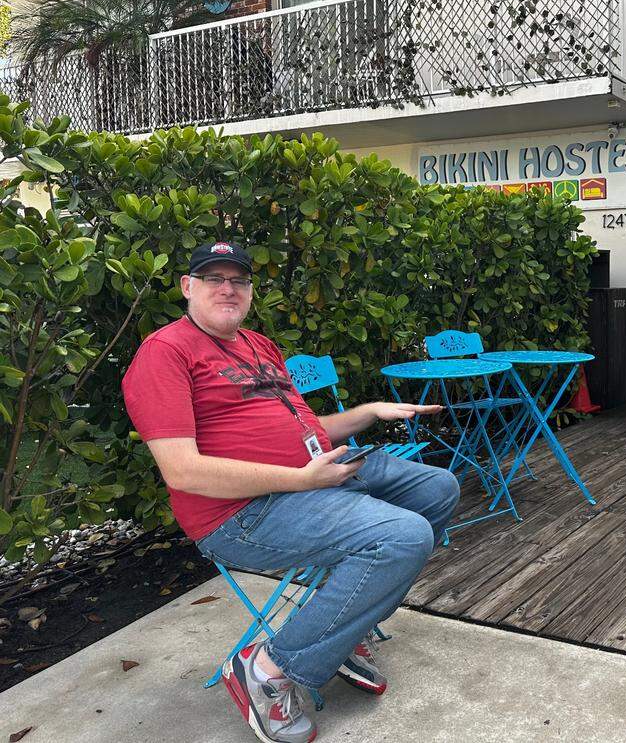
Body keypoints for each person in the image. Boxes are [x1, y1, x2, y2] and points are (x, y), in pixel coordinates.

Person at [122, 242, 461, 743]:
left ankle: (343, 629)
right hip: (241, 512)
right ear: (187, 288)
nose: (227, 288)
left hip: (315, 473)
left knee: (438, 486)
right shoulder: (165, 353)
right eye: (213, 278)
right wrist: (303, 481)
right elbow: (182, 471)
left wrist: (366, 412)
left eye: (238, 280)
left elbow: (307, 430)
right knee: (403, 537)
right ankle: (267, 669)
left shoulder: (258, 345)